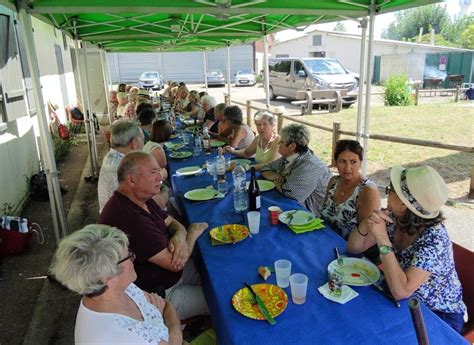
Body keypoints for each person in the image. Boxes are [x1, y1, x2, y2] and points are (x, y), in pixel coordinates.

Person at [50, 224, 216, 345]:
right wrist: (174, 331)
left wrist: (174, 335)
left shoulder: (121, 289)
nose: (134, 258)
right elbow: (166, 312)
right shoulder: (119, 336)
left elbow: (167, 306)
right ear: (107, 275)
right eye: (128, 256)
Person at [347, 165, 466, 333]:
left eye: (390, 190)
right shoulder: (395, 217)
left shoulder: (435, 240)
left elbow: (400, 291)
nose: (386, 194)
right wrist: (367, 223)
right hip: (406, 302)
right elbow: (353, 248)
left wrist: (381, 238)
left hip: (438, 314)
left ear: (403, 205)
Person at [99, 152, 209, 320]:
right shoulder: (129, 217)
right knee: (222, 301)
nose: (160, 177)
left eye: (158, 171)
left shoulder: (140, 197)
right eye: (153, 172)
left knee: (218, 275)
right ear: (132, 179)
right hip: (161, 294)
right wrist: (191, 234)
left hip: (172, 276)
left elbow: (172, 223)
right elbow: (174, 264)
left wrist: (179, 236)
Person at [255, 124, 331, 216]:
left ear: (292, 146)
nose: (278, 144)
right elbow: (266, 167)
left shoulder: (309, 166)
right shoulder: (290, 157)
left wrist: (276, 181)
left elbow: (290, 193)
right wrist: (276, 176)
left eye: (281, 142)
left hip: (312, 215)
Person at [321, 140, 380, 240]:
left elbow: (365, 236)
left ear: (360, 162)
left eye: (353, 162)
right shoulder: (334, 182)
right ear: (335, 162)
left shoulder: (367, 191)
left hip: (349, 251)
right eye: (342, 161)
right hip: (324, 240)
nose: (348, 168)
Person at [98, 120, 144, 213]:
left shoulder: (115, 156)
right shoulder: (120, 169)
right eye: (143, 140)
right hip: (119, 222)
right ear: (134, 143)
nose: (143, 143)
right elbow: (133, 207)